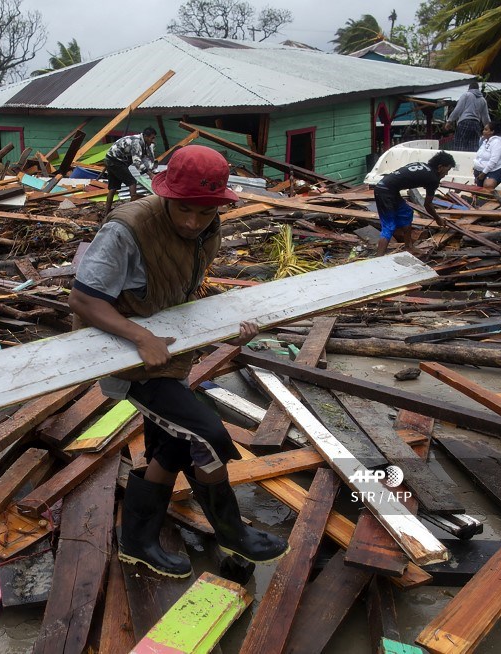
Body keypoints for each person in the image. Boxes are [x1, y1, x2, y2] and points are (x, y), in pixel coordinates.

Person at [69, 144, 287, 578]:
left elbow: (185, 286)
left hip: (168, 349)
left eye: (204, 213)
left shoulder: (208, 226)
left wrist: (227, 321)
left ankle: (137, 542)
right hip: (125, 355)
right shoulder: (126, 230)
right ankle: (230, 532)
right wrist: (140, 337)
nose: (192, 222)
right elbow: (83, 299)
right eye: (184, 210)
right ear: (166, 195)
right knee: (206, 435)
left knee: (169, 446)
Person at [373, 151, 455, 256]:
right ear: (440, 167)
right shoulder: (433, 178)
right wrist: (438, 219)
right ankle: (378, 259)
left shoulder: (423, 166)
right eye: (447, 170)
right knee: (389, 226)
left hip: (387, 188)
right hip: (385, 191)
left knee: (407, 212)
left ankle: (409, 247)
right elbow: (428, 205)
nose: (446, 174)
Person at [102, 127, 157, 219]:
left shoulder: (144, 143)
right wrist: (150, 174)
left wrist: (153, 171)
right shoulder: (137, 143)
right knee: (132, 182)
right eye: (152, 138)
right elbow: (137, 161)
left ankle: (106, 213)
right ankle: (132, 210)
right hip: (115, 161)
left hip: (111, 159)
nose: (153, 140)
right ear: (146, 136)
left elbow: (147, 158)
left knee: (113, 187)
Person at [448, 82, 491, 152]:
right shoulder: (483, 100)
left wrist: (449, 121)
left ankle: (459, 161)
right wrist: (490, 128)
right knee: (473, 147)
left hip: (464, 122)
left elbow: (458, 109)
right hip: (476, 124)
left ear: (469, 88)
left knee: (460, 146)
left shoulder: (466, 95)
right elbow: (485, 117)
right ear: (478, 89)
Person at [473, 122, 501, 189]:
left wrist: (483, 173)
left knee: (488, 185)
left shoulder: (497, 142)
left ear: (492, 132)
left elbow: (493, 161)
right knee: (479, 191)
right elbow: (479, 156)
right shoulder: (484, 141)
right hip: (480, 171)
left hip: (494, 171)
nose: (483, 131)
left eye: (485, 130)